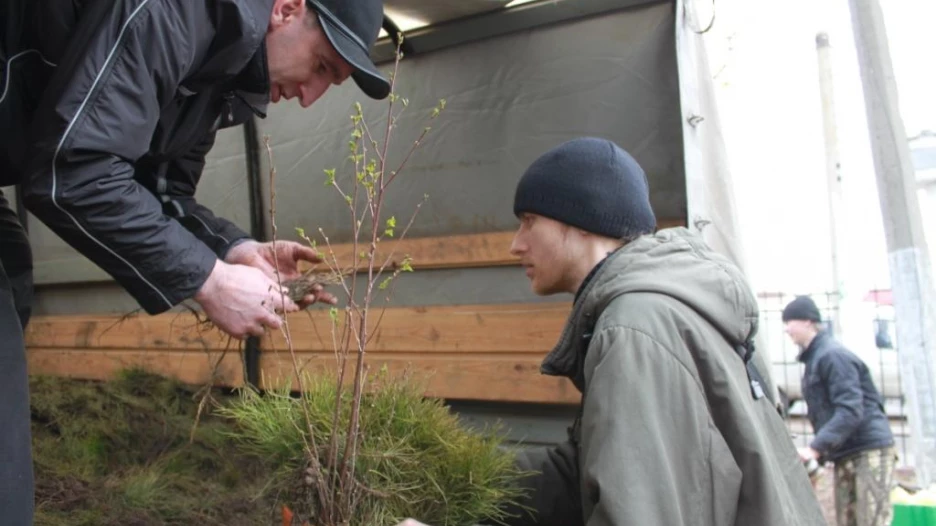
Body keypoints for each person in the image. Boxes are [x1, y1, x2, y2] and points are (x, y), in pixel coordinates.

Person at [0, 0, 389, 521]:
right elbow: (74, 173)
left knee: (10, 266)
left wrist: (232, 251)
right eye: (321, 66)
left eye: (330, 84)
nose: (308, 96)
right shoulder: (186, 11)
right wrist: (210, 281)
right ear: (287, 9)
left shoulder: (217, 72)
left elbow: (158, 189)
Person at [396, 138, 825, 526]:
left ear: (583, 218)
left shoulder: (635, 327)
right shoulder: (663, 307)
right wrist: (452, 475)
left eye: (529, 220)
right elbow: (582, 474)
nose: (516, 244)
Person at [782, 295, 896, 526]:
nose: (786, 329)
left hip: (868, 451)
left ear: (807, 321)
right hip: (848, 452)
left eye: (789, 322)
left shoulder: (832, 356)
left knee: (870, 521)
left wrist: (816, 448)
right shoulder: (816, 358)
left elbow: (850, 410)